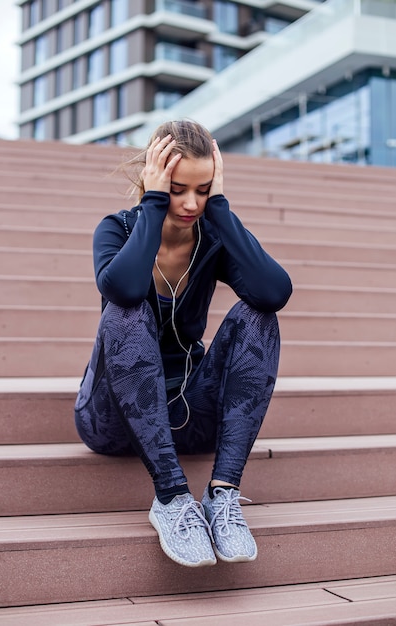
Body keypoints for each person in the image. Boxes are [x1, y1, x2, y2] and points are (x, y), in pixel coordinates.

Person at [75, 120, 292, 568]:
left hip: (190, 415)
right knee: (127, 306)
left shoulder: (211, 235)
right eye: (177, 188)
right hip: (113, 422)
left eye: (204, 188)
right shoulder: (115, 230)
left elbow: (274, 292)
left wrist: (222, 211)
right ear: (152, 178)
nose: (191, 203)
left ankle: (223, 495)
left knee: (258, 314)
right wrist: (153, 206)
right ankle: (173, 499)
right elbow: (125, 290)